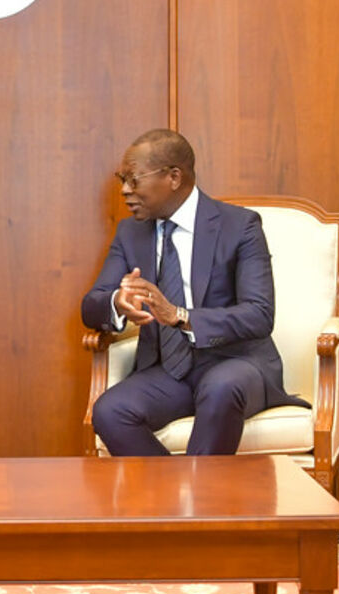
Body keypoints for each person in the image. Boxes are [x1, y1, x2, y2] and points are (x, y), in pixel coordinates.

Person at [81, 129, 307, 456]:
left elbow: (259, 314)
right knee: (110, 411)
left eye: (133, 179)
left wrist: (180, 316)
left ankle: (197, 491)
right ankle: (181, 490)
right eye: (122, 179)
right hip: (168, 372)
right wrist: (118, 302)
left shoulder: (239, 226)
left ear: (174, 177)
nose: (124, 190)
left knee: (221, 388)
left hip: (236, 364)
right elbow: (91, 305)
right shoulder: (131, 233)